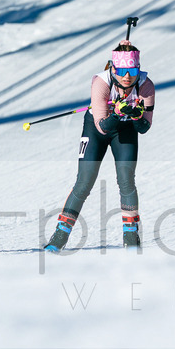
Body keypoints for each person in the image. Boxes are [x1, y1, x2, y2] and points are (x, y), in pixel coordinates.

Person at [44, 40, 155, 251]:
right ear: (113, 68)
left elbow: (144, 127)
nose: (127, 76)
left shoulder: (146, 85)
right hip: (97, 129)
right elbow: (103, 127)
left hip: (126, 129)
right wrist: (118, 112)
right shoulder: (101, 83)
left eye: (131, 70)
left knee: (126, 179)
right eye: (121, 70)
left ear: (138, 69)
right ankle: (60, 236)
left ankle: (131, 238)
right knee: (84, 181)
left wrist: (136, 116)